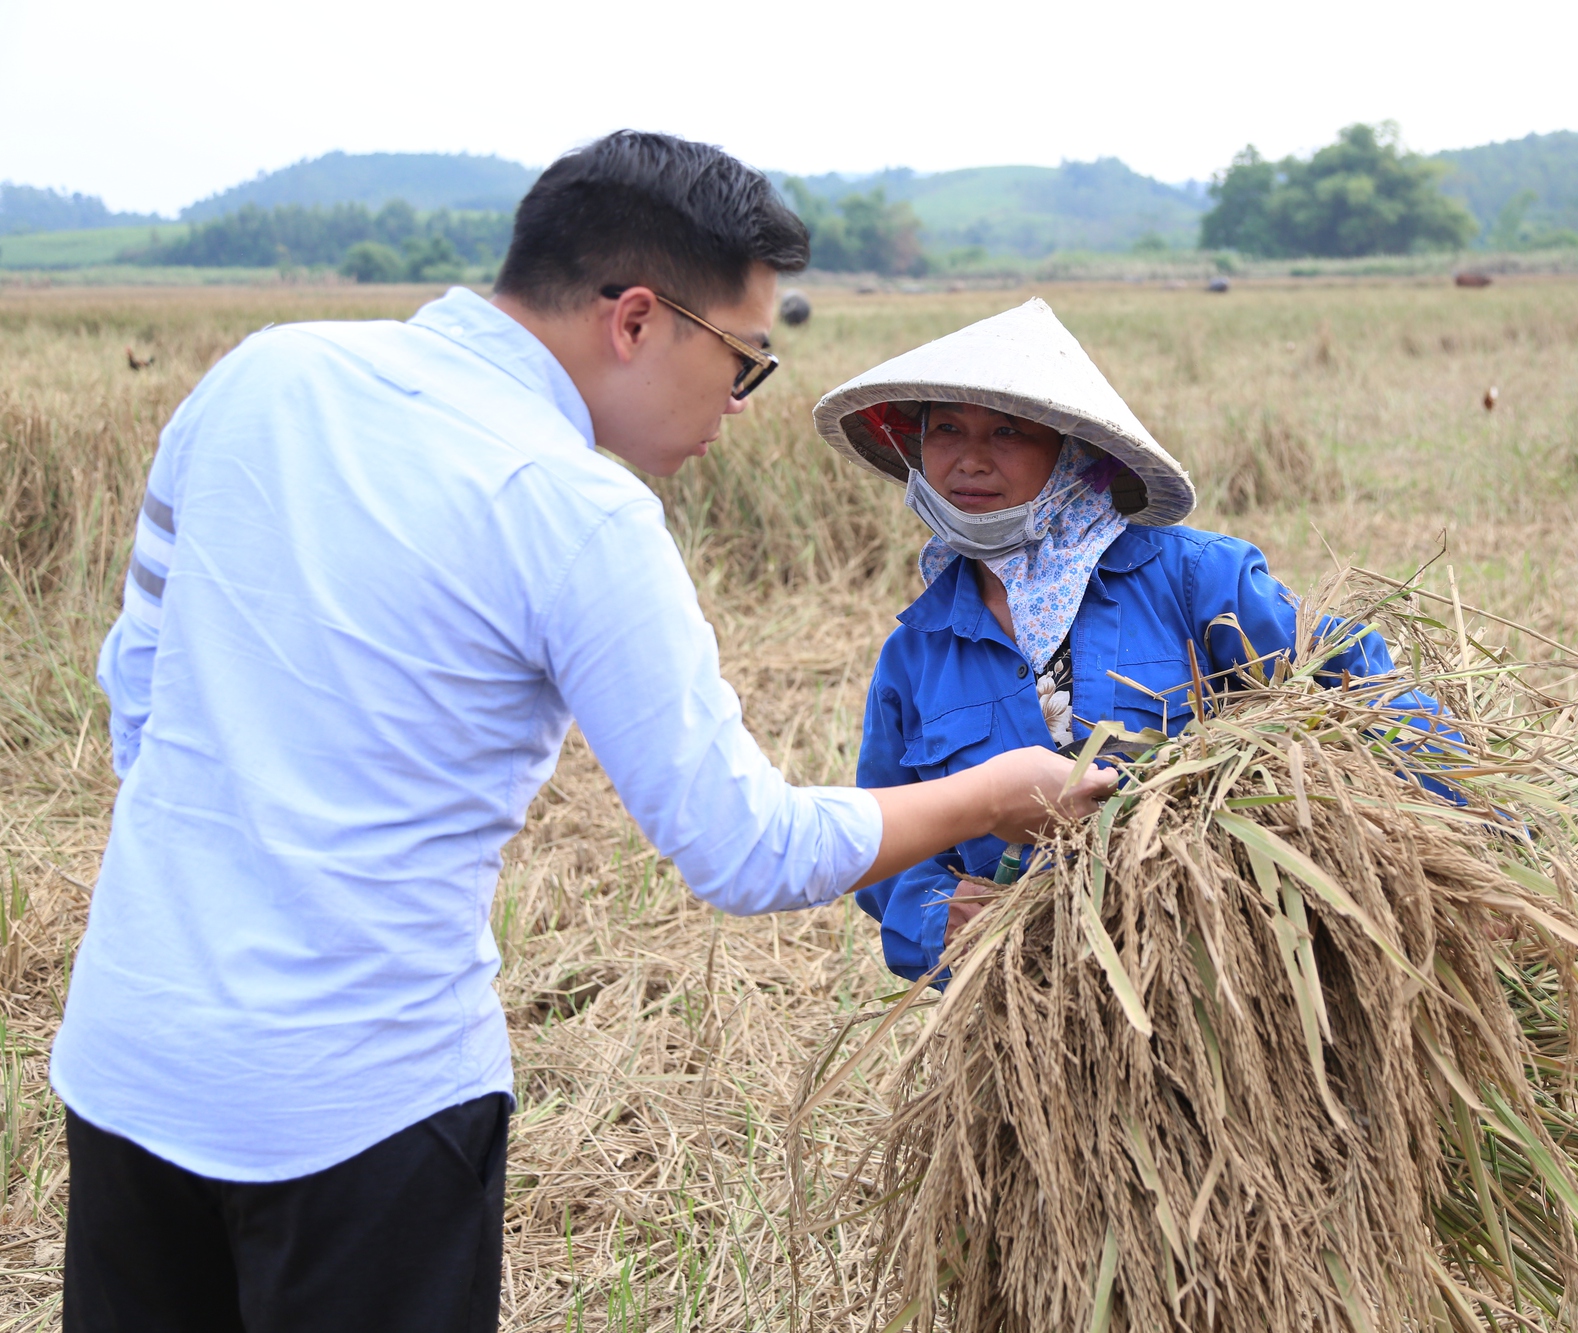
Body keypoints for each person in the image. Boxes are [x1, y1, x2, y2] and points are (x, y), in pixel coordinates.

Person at [51, 134, 1111, 1332]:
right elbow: (744, 847)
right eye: (743, 361)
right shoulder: (570, 506)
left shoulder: (261, 373)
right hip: (362, 1115)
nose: (735, 404)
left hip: (130, 1057)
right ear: (638, 320)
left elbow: (135, 684)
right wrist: (990, 794)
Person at [812, 298, 1447, 984]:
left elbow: (1362, 689)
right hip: (1029, 1008)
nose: (969, 459)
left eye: (1006, 431)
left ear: (1071, 452)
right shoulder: (916, 654)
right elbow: (883, 836)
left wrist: (1468, 840)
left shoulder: (1197, 580)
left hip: (1226, 979)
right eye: (946, 429)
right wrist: (939, 909)